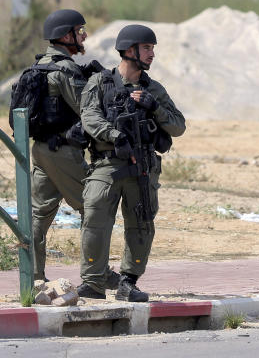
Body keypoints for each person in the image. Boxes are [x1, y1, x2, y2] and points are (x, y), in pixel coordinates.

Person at [78, 24, 185, 301]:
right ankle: (92, 282)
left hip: (142, 168)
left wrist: (154, 107)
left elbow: (178, 126)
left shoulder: (153, 89)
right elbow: (89, 118)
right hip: (107, 165)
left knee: (141, 224)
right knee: (94, 218)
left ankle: (128, 282)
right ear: (129, 51)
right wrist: (114, 136)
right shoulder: (100, 83)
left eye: (152, 49)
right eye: (147, 48)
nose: (152, 54)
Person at [30, 9, 119, 288]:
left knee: (38, 215)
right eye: (79, 31)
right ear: (65, 36)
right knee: (96, 207)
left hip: (41, 150)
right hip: (64, 152)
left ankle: (31, 276)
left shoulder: (40, 65)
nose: (84, 36)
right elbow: (88, 110)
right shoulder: (65, 69)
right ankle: (97, 275)